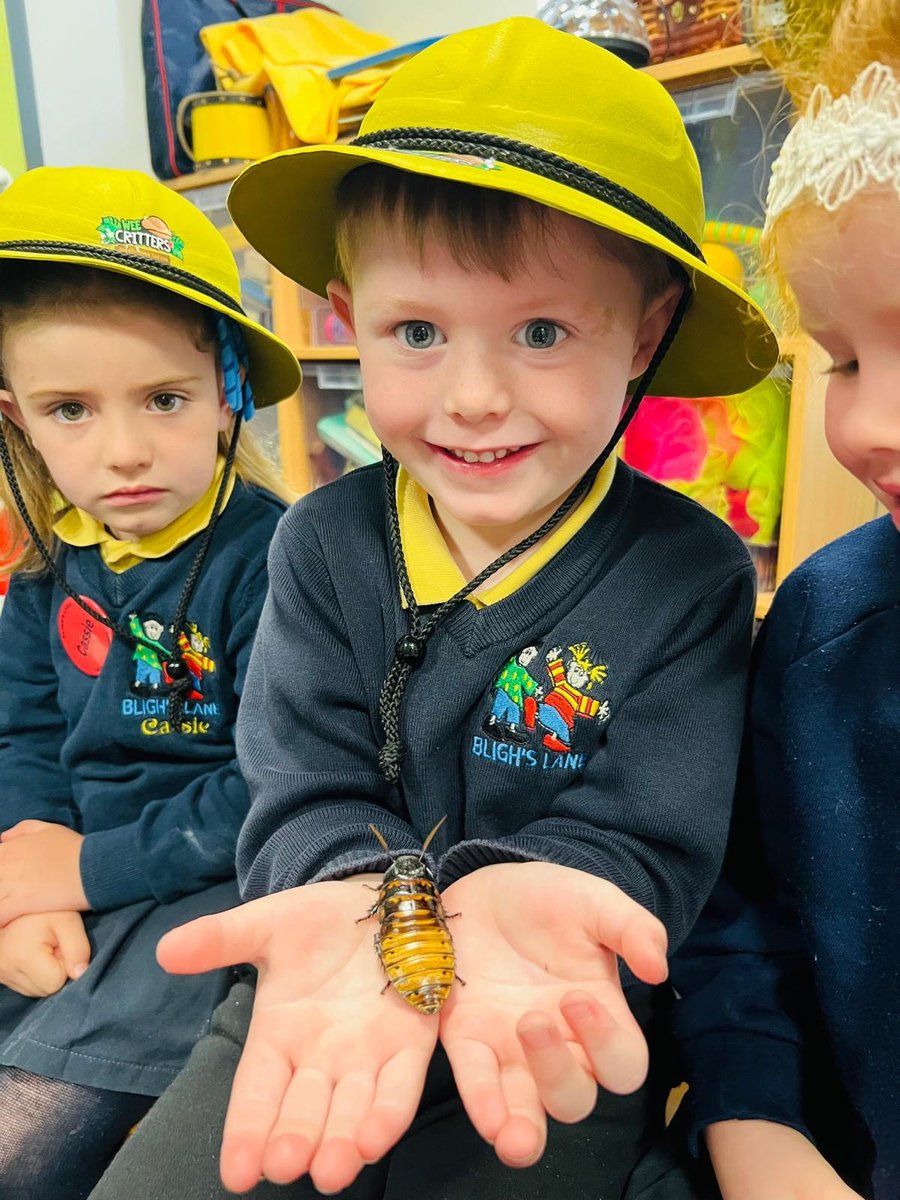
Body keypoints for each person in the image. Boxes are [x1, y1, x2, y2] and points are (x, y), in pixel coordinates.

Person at [90, 17, 777, 1200]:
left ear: (647, 332)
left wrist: (513, 896)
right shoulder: (318, 543)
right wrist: (362, 894)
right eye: (418, 332)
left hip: (553, 1008)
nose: (471, 397)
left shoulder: (693, 575)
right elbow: (299, 787)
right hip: (325, 961)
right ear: (352, 318)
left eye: (543, 332)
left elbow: (646, 834)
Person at [0, 165, 300, 1199]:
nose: (122, 452)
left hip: (210, 889)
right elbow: (24, 736)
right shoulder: (47, 568)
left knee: (29, 1135)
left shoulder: (276, 561)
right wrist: (27, 881)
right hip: (77, 871)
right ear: (17, 419)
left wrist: (75, 878)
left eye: (163, 399)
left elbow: (275, 789)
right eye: (69, 410)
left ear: (229, 393)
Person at [668, 2, 900, 1197]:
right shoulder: (818, 633)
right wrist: (755, 1127)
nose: (867, 426)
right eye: (843, 359)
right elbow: (748, 923)